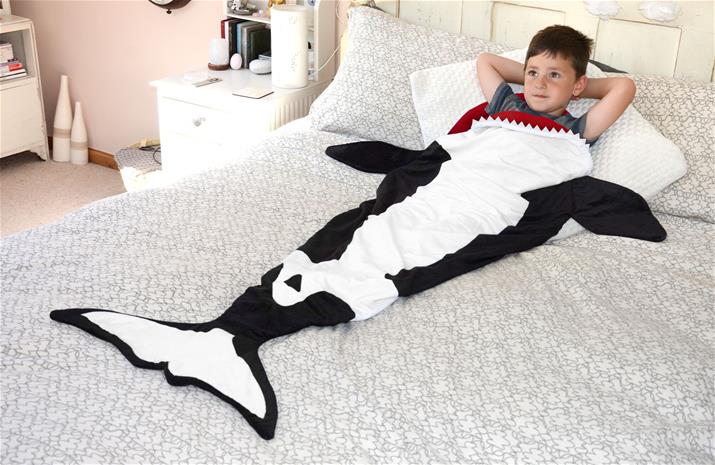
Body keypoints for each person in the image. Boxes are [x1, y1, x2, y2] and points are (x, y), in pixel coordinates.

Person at [477, 25, 636, 145]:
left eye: (554, 75)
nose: (539, 84)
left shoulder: (573, 131)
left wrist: (573, 87)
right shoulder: (508, 106)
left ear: (579, 85)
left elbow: (624, 86)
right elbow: (486, 60)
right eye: (533, 73)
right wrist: (533, 77)